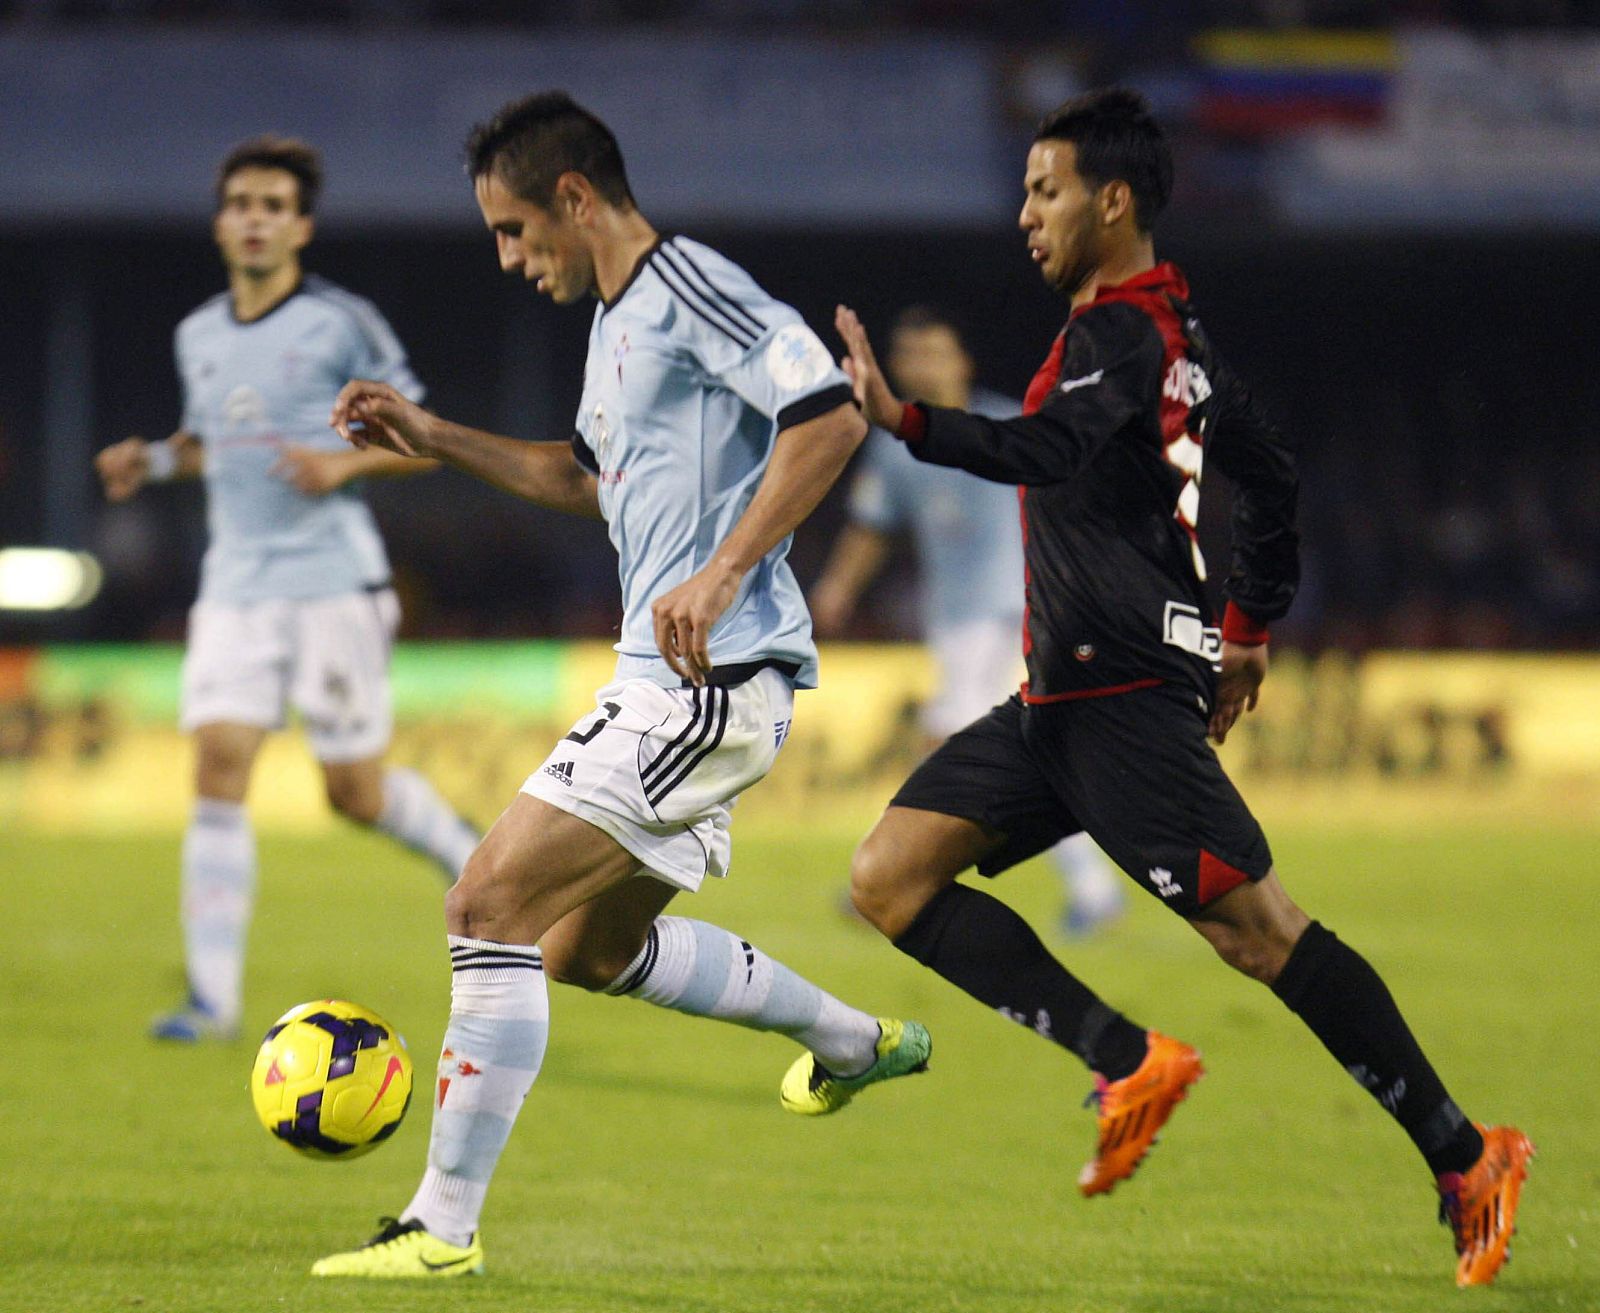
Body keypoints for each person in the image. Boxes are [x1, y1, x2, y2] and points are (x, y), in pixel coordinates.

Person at [834, 88, 1532, 1288]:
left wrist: (903, 419)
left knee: (1260, 935)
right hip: (1057, 699)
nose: (1024, 216)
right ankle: (1126, 1060)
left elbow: (1048, 449)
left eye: (1045, 191)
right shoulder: (1173, 336)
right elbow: (1267, 471)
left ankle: (1468, 1152)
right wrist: (1249, 624)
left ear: (1113, 200)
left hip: (1120, 702)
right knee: (888, 876)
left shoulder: (1123, 339)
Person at [309, 92, 930, 1280]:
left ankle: (440, 1229)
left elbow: (832, 414)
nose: (508, 257)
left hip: (703, 677)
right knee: (578, 952)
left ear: (576, 198)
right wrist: (433, 435)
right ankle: (852, 1040)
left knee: (484, 903)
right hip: (683, 678)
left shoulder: (689, 286)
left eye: (512, 229)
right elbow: (582, 476)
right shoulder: (613, 327)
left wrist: (724, 567)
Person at [94, 137, 481, 1043]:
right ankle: (213, 1001)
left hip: (333, 585)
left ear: (300, 224)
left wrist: (340, 464)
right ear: (222, 220)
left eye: (274, 204)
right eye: (241, 203)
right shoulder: (197, 333)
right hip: (233, 587)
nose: (256, 219)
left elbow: (426, 438)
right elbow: (207, 441)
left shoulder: (343, 323)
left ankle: (470, 852)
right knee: (218, 767)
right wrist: (149, 459)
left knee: (353, 792)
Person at [810, 304, 1124, 935]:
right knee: (1022, 761)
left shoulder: (1009, 426)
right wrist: (837, 589)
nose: (919, 364)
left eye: (934, 351)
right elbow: (871, 528)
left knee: (947, 750)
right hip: (957, 623)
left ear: (963, 362)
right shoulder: (898, 446)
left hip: (1014, 615)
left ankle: (886, 877)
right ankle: (1090, 890)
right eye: (909, 354)